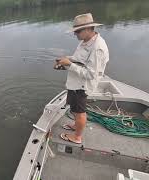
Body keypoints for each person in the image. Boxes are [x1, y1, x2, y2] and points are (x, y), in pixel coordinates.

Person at [54, 13, 109, 144]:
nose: (75, 34)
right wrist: (65, 61)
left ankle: (77, 137)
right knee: (74, 109)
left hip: (82, 87)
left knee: (80, 112)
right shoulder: (85, 41)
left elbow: (91, 75)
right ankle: (76, 126)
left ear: (89, 29)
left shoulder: (97, 48)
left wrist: (69, 65)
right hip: (75, 83)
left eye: (77, 31)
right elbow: (79, 60)